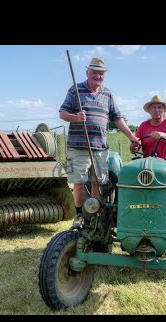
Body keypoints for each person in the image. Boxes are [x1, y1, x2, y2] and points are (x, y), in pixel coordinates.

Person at [60, 57, 139, 229]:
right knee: (79, 183)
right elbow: (62, 113)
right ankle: (79, 216)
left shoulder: (107, 93)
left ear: (104, 75)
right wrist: (76, 117)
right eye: (94, 72)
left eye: (101, 73)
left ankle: (95, 215)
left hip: (100, 148)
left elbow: (117, 118)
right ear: (87, 72)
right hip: (78, 147)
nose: (98, 75)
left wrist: (132, 137)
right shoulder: (75, 90)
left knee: (98, 183)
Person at [130, 95, 166, 172]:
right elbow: (135, 147)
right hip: (148, 165)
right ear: (149, 111)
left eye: (159, 107)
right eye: (154, 107)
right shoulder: (143, 125)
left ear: (164, 110)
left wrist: (161, 134)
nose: (157, 110)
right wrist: (133, 147)